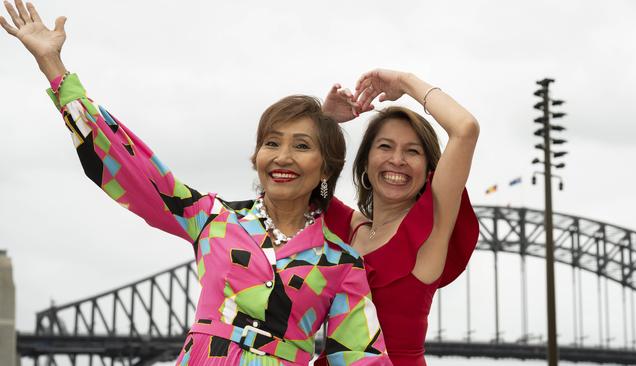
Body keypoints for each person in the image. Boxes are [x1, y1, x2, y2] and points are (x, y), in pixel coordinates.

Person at [0, 1, 393, 365]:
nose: (282, 157)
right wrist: (54, 68)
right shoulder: (212, 218)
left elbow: (362, 358)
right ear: (257, 157)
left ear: (325, 169)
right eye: (271, 143)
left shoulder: (342, 264)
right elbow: (132, 165)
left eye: (301, 146)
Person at [320, 69, 480, 366]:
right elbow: (304, 178)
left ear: (427, 168)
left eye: (412, 151)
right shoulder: (349, 230)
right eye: (385, 147)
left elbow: (465, 129)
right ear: (365, 162)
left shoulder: (430, 231)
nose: (397, 160)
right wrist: (325, 121)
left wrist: (404, 82)